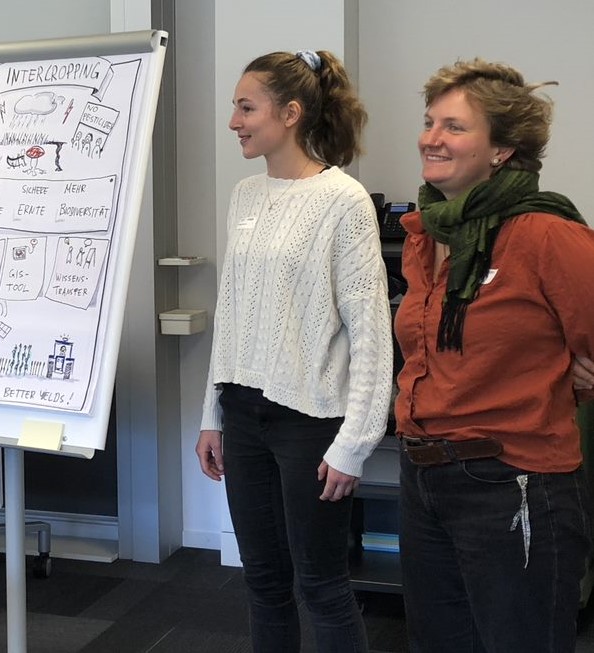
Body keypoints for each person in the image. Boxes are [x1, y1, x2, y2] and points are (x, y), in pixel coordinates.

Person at [394, 59, 594, 652]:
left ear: (503, 150)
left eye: (454, 127)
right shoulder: (426, 235)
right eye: (429, 122)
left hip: (512, 481)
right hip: (423, 476)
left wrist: (579, 375)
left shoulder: (545, 234)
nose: (431, 138)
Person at [195, 50, 392, 652]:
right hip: (242, 414)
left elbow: (370, 333)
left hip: (310, 421)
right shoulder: (245, 195)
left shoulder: (344, 201)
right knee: (263, 582)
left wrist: (355, 443)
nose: (234, 121)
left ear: (290, 113)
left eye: (246, 107)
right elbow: (232, 314)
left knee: (322, 586)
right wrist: (211, 416)